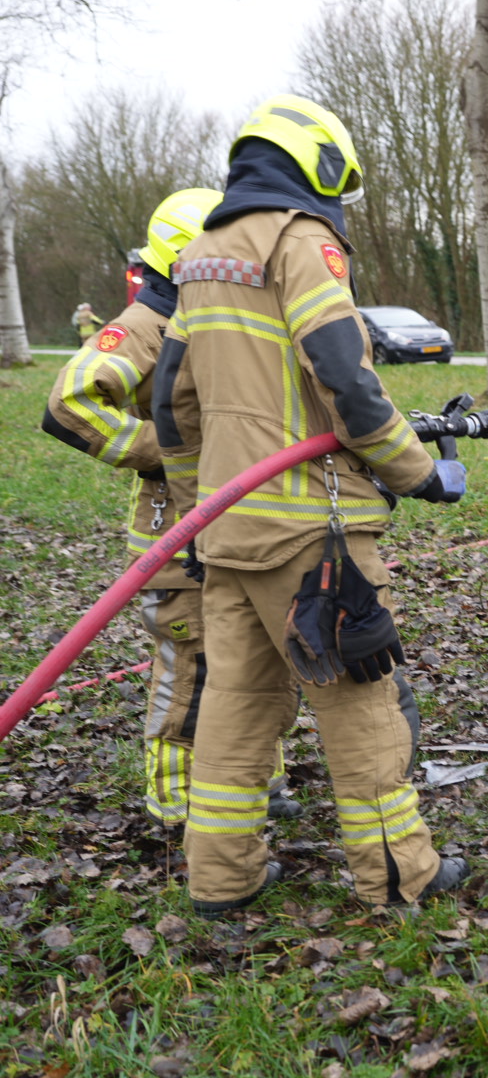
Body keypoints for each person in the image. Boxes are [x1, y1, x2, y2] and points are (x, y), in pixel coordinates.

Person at [153, 94, 468, 916]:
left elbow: (171, 405)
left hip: (226, 533)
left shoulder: (200, 256)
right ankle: (398, 875)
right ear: (320, 165)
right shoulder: (301, 240)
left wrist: (196, 509)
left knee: (235, 706)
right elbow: (344, 376)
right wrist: (419, 474)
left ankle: (222, 879)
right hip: (312, 537)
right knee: (360, 703)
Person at [42, 188, 304, 838]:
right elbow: (70, 403)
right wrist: (169, 451)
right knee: (191, 672)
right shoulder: (144, 325)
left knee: (253, 660)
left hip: (238, 532)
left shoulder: (211, 318)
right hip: (174, 546)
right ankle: (176, 801)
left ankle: (256, 781)